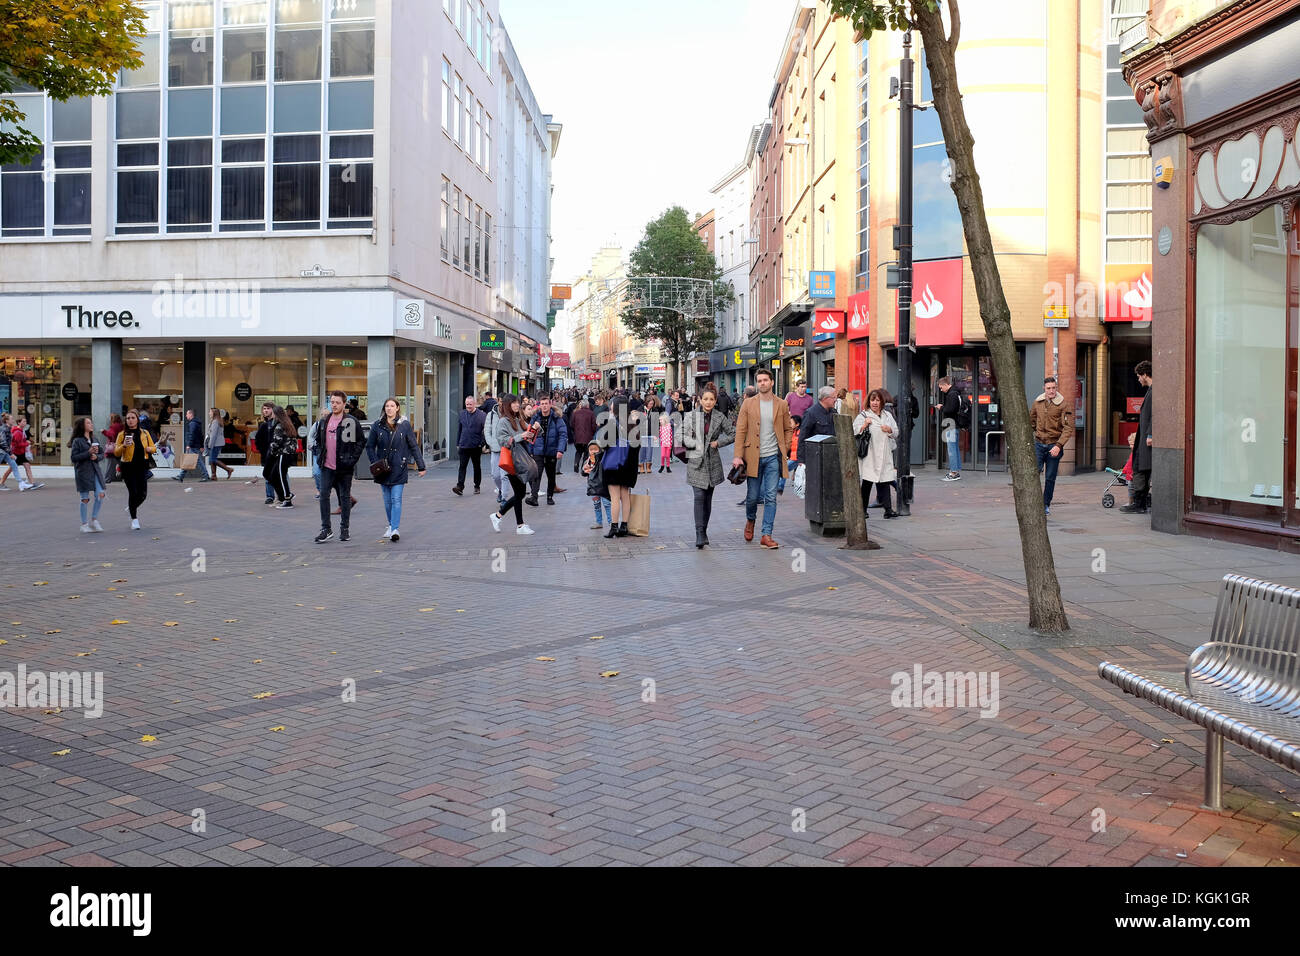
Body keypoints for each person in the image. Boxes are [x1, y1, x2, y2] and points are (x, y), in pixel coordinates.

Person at [733, 367, 793, 549]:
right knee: (752, 498)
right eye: (759, 381)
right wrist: (738, 455)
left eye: (765, 380)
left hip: (773, 458)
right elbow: (741, 430)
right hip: (753, 457)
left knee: (771, 497)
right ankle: (750, 520)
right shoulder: (748, 404)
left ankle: (766, 534)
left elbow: (787, 429)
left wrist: (786, 446)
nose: (762, 383)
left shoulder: (781, 404)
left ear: (772, 382)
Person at [366, 397, 426, 542]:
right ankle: (390, 524)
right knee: (387, 501)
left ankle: (395, 529)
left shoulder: (404, 425)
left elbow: (413, 445)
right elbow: (369, 446)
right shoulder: (377, 425)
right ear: (384, 408)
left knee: (396, 499)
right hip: (383, 469)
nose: (389, 408)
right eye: (387, 406)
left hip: (399, 467)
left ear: (397, 408)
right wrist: (375, 462)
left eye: (392, 406)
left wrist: (421, 465)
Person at [684, 385, 735, 549]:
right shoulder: (691, 416)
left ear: (715, 401)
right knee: (699, 497)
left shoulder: (720, 417)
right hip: (696, 462)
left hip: (712, 463)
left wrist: (719, 442)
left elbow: (733, 433)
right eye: (705, 399)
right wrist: (695, 443)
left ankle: (704, 530)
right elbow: (679, 435)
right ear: (699, 400)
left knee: (707, 500)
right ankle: (699, 533)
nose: (708, 402)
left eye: (711, 399)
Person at [312, 391, 364, 542]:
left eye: (337, 402)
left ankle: (344, 528)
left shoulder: (351, 421)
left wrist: (352, 460)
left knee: (344, 497)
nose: (334, 405)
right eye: (332, 402)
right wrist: (320, 455)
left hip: (344, 467)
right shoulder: (324, 421)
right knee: (323, 495)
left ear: (344, 404)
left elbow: (360, 441)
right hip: (327, 466)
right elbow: (318, 440)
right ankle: (326, 529)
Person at [490, 395, 538, 535]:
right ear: (507, 405)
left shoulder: (518, 419)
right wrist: (520, 436)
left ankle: (500, 517)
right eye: (514, 403)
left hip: (522, 460)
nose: (517, 405)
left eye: (517, 402)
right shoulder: (503, 422)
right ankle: (518, 524)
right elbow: (503, 441)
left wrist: (536, 430)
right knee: (520, 493)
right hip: (513, 461)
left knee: (520, 493)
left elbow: (529, 438)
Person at [1030, 375, 1073, 517]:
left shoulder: (1063, 404)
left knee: (1050, 477)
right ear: (1044, 388)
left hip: (1054, 446)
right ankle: (1034, 502)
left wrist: (1059, 445)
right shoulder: (1038, 402)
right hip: (1039, 444)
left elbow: (1068, 428)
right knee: (1033, 474)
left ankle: (1045, 504)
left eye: (1054, 388)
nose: (1051, 391)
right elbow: (1032, 421)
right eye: (1049, 388)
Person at [855, 388, 899, 520]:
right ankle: (862, 510)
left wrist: (889, 429)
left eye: (877, 400)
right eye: (872, 400)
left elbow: (896, 432)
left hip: (885, 453)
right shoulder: (863, 415)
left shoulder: (887, 415)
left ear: (881, 402)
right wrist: (864, 425)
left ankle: (888, 510)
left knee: (885, 480)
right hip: (870, 454)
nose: (875, 403)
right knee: (867, 482)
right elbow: (854, 430)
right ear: (869, 401)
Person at [601, 393, 639, 538]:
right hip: (628, 466)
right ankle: (624, 526)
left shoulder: (613, 424)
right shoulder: (633, 424)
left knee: (614, 497)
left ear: (615, 408)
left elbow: (604, 443)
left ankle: (614, 527)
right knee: (625, 496)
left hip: (614, 465)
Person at [114, 409, 156, 530]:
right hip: (128, 466)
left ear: (137, 419)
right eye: (128, 418)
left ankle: (131, 507)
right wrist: (124, 446)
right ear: (125, 421)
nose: (130, 420)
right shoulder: (122, 434)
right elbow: (116, 452)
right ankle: (134, 519)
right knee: (133, 493)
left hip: (142, 466)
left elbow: (153, 447)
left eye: (133, 418)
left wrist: (149, 449)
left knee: (143, 494)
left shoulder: (145, 433)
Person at [1121, 360, 1153, 514]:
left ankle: (1139, 503)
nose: (1138, 379)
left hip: (1147, 439)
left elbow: (1155, 414)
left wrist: (1151, 434)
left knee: (1140, 468)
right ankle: (1140, 503)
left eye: (1139, 376)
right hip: (1144, 438)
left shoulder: (1154, 391)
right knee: (1141, 468)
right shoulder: (1151, 391)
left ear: (1145, 375)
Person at [525, 394, 568, 506]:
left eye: (546, 404)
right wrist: (530, 450)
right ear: (539, 405)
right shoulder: (535, 417)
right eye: (542, 404)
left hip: (551, 451)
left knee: (551, 475)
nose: (544, 406)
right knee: (536, 474)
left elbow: (563, 434)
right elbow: (529, 435)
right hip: (538, 451)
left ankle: (550, 496)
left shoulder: (556, 418)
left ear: (550, 405)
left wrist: (560, 450)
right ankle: (534, 497)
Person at [70, 417, 107, 533]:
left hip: (95, 471)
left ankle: (95, 520)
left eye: (91, 422)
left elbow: (102, 453)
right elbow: (73, 458)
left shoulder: (94, 438)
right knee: (84, 498)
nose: (91, 424)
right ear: (82, 426)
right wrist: (88, 453)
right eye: (88, 423)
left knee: (100, 495)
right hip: (83, 473)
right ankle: (84, 524)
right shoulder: (77, 441)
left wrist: (97, 457)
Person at [264, 405, 298, 508]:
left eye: (273, 413)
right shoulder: (286, 423)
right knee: (275, 476)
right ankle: (285, 496)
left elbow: (276, 442)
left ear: (276, 414)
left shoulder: (279, 426)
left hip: (284, 454)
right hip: (288, 453)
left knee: (280, 476)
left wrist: (271, 452)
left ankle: (287, 500)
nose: (272, 414)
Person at [453, 394, 487, 496]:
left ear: (475, 404)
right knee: (462, 466)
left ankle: (477, 486)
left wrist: (482, 443)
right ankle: (460, 487)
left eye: (470, 404)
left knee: (477, 467)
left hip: (476, 446)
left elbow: (485, 431)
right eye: (467, 404)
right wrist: (458, 443)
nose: (468, 406)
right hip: (464, 445)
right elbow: (459, 429)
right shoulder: (462, 414)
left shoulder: (482, 416)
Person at [796, 387, 838, 464]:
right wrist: (801, 460)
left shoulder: (834, 412)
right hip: (815, 457)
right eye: (833, 397)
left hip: (831, 456)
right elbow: (803, 436)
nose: (836, 400)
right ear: (825, 398)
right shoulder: (811, 413)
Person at [935, 377, 964, 480]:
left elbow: (950, 410)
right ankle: (956, 470)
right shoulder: (956, 393)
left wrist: (941, 407)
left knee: (951, 449)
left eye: (941, 387)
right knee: (954, 448)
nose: (941, 389)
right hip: (954, 423)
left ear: (945, 384)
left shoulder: (952, 395)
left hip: (951, 424)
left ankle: (953, 473)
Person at [3, 416, 42, 490]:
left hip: (20, 453)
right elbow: (17, 444)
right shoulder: (18, 432)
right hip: (17, 453)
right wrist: (27, 443)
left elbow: (20, 442)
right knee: (11, 469)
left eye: (25, 421)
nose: (25, 423)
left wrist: (26, 442)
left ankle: (32, 483)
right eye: (23, 421)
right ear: (19, 423)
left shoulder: (21, 431)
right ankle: (1, 483)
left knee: (27, 466)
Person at [173, 408, 210, 482]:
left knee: (196, 461)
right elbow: (200, 435)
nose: (186, 416)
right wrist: (201, 446)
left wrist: (189, 444)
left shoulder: (192, 424)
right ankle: (181, 476)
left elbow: (192, 435)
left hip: (193, 446)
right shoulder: (196, 423)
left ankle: (205, 476)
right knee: (189, 460)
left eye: (187, 414)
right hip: (195, 445)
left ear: (191, 414)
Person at [582, 439, 612, 531]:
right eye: (591, 449)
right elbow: (583, 473)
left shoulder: (603, 460)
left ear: (600, 450)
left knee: (607, 504)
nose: (593, 451)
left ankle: (611, 522)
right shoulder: (588, 461)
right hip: (594, 488)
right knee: (596, 505)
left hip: (603, 487)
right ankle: (599, 522)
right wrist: (584, 469)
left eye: (596, 449)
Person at [252, 402, 276, 502]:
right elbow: (258, 439)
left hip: (277, 453)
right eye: (264, 409)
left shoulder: (277, 423)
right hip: (266, 454)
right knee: (268, 475)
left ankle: (284, 495)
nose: (265, 410)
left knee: (281, 474)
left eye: (268, 408)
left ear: (273, 410)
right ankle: (270, 496)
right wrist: (263, 450)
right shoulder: (263, 424)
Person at [0, 412, 28, 490]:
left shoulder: (9, 429)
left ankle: (21, 483)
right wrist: (10, 453)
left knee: (14, 466)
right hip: (1, 452)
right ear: (6, 421)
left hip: (5, 452)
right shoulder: (3, 429)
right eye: (11, 419)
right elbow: (3, 443)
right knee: (14, 465)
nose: (13, 420)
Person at [570, 398, 597, 475]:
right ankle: (583, 467)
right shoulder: (591, 413)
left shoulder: (575, 413)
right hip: (588, 437)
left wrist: (575, 431)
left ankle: (576, 463)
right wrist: (592, 432)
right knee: (586, 453)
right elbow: (594, 426)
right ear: (588, 405)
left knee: (578, 452)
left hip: (577, 437)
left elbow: (571, 424)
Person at [207, 408, 234, 479]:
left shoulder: (215, 422)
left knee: (212, 459)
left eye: (210, 412)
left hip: (215, 443)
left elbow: (213, 434)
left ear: (214, 413)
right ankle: (213, 475)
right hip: (218, 443)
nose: (209, 413)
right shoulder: (217, 421)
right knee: (213, 459)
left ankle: (228, 469)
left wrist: (210, 444)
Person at [100, 413, 124, 484]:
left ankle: (107, 479)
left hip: (113, 448)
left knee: (110, 465)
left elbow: (111, 435)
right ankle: (119, 477)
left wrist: (104, 431)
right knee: (120, 463)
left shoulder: (113, 426)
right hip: (120, 447)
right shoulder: (122, 426)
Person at [658, 396, 675, 473]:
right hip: (663, 443)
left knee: (667, 456)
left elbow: (671, 434)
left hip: (668, 443)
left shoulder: (668, 426)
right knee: (662, 456)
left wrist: (671, 443)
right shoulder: (661, 427)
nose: (660, 421)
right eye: (659, 420)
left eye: (661, 420)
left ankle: (668, 467)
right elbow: (660, 434)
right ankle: (662, 466)